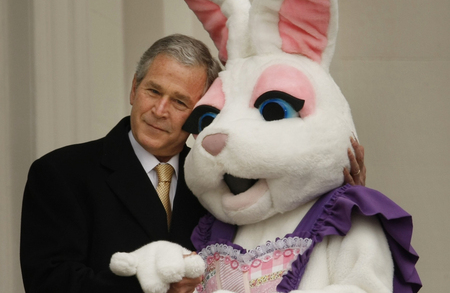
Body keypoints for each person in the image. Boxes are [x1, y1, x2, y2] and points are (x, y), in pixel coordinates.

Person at [20, 34, 366, 293]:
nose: (159, 110)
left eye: (180, 101)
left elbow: (280, 230)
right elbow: (48, 281)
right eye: (153, 91)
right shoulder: (61, 173)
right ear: (133, 89)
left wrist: (346, 199)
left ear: (203, 113)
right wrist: (152, 285)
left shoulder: (219, 180)